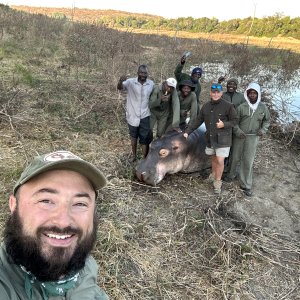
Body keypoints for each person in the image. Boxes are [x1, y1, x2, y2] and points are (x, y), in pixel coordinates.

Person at [0, 150, 109, 299]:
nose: (63, 221)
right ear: (14, 205)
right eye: (46, 201)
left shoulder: (86, 267)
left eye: (79, 203)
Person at [184, 83, 237, 194]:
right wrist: (187, 132)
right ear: (210, 93)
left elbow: (235, 121)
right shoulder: (206, 106)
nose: (216, 94)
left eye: (218, 92)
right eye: (214, 92)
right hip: (211, 138)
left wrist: (224, 124)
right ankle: (213, 175)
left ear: (221, 93)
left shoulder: (228, 106)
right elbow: (198, 121)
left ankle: (218, 182)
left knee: (220, 160)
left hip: (223, 139)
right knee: (213, 158)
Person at [225, 83, 270, 197]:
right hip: (240, 136)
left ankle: (246, 184)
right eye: (250, 93)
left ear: (258, 94)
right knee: (234, 157)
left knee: (248, 160)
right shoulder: (242, 107)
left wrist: (263, 130)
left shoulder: (263, 107)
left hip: (253, 137)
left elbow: (267, 121)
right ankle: (230, 176)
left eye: (255, 93)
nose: (252, 95)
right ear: (247, 94)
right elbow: (234, 122)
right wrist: (238, 131)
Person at [117, 64, 154, 161]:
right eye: (141, 72)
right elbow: (120, 87)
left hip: (145, 115)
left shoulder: (151, 84)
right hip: (132, 114)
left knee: (144, 138)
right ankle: (133, 156)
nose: (143, 75)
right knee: (133, 136)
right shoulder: (130, 82)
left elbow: (153, 97)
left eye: (145, 73)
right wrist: (120, 81)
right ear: (137, 73)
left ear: (147, 74)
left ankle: (144, 158)